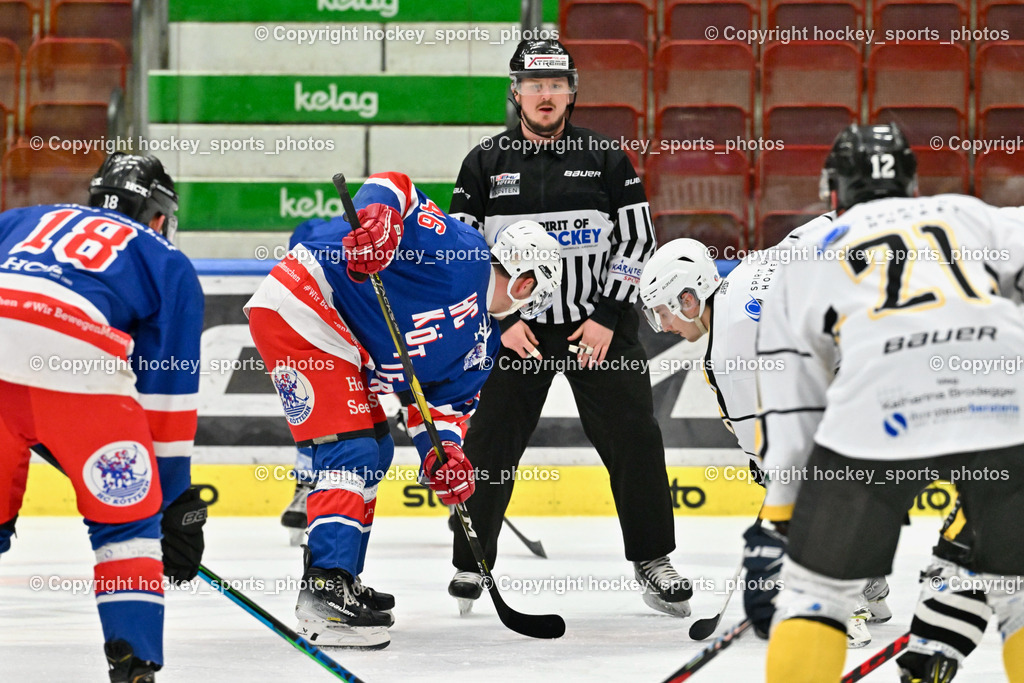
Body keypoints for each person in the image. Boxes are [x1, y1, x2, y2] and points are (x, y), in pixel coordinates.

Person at [739, 123, 1024, 682]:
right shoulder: (970, 213)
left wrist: (778, 522)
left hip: (877, 413)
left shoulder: (806, 253)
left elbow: (793, 407)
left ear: (834, 194)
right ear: (915, 187)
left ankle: (816, 601)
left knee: (815, 597)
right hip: (1003, 397)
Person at [245, 171, 562, 648]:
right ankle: (324, 589)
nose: (534, 303)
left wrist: (444, 455)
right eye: (538, 290)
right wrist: (381, 220)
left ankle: (343, 578)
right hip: (304, 302)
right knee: (349, 450)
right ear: (526, 278)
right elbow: (396, 186)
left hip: (344, 340)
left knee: (375, 449)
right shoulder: (463, 250)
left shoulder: (482, 342)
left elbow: (441, 407)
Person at [447, 37, 690, 618]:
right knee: (487, 446)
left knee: (636, 439)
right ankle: (471, 561)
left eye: (556, 85)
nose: (545, 95)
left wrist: (608, 315)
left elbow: (636, 240)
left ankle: (653, 561)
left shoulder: (606, 157)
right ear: (516, 92)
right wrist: (500, 318)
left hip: (598, 327)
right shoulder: (483, 163)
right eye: (534, 85)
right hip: (517, 333)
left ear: (572, 92)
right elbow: (461, 251)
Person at [0, 153, 207, 683]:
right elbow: (167, 396)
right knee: (126, 525)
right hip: (78, 359)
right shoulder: (164, 259)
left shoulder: (23, 218)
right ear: (159, 215)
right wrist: (170, 503)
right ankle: (133, 662)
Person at [637, 233, 891, 648]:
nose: (663, 326)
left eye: (662, 312)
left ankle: (842, 606)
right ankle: (869, 583)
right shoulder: (750, 269)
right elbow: (817, 229)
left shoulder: (726, 356)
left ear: (688, 299)